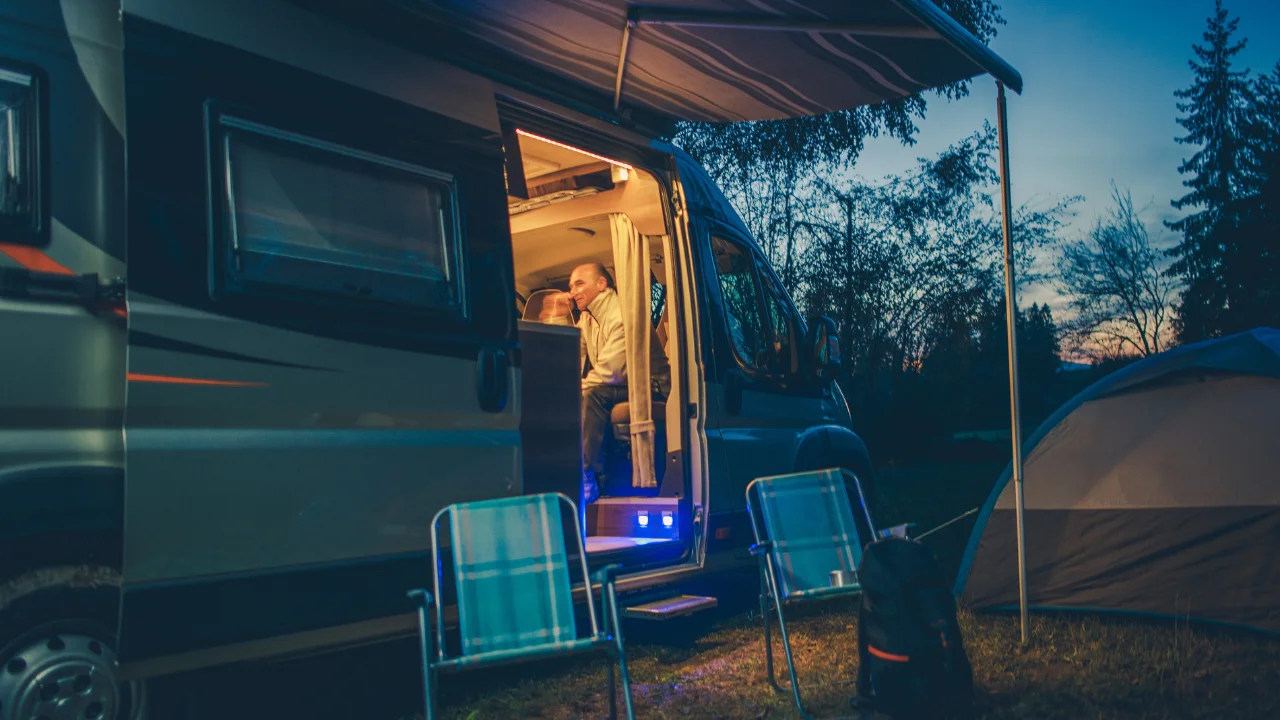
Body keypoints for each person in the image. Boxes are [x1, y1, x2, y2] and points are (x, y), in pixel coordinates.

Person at [566, 262, 669, 504]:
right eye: (570, 286)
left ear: (602, 284)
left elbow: (611, 371)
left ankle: (587, 475)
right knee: (576, 393)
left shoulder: (621, 314)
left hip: (649, 384)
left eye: (579, 284)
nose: (573, 291)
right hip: (620, 382)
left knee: (591, 393)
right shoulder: (589, 318)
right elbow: (570, 354)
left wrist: (575, 390)